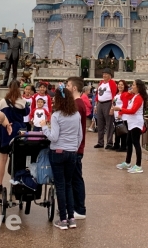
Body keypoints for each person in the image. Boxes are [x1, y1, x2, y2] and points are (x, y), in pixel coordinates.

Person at [43, 83, 83, 230]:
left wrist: (43, 128)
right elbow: (80, 135)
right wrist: (73, 148)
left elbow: (53, 137)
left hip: (58, 152)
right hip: (72, 152)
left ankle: (63, 220)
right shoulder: (76, 114)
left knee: (60, 185)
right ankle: (71, 218)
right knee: (68, 184)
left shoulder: (56, 115)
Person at [0, 81, 26, 193]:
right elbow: (26, 113)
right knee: (16, 159)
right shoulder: (22, 102)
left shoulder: (3, 102)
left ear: (8, 88)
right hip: (18, 131)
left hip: (5, 131)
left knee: (2, 159)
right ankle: (14, 182)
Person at [66, 76, 88, 220]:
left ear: (74, 88)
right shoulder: (76, 103)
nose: (66, 88)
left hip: (75, 147)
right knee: (73, 178)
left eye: (68, 86)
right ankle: (74, 206)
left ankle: (79, 209)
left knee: (76, 179)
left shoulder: (77, 105)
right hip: (74, 146)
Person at [114, 79, 147, 174]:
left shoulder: (139, 98)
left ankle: (138, 165)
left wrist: (120, 109)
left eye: (133, 85)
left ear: (138, 87)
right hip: (132, 122)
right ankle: (128, 162)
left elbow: (133, 110)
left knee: (136, 143)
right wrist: (130, 92)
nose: (131, 86)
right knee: (129, 142)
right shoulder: (135, 96)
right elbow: (126, 97)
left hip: (136, 123)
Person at [94, 71, 117, 149]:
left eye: (106, 74)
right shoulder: (101, 83)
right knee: (100, 124)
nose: (104, 75)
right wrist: (96, 105)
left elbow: (114, 95)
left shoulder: (112, 83)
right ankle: (100, 142)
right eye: (103, 74)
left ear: (110, 76)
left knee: (109, 124)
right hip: (100, 103)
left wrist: (112, 107)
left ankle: (109, 142)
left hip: (108, 103)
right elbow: (97, 94)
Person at [112, 80, 131, 151]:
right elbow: (114, 103)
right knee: (117, 130)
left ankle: (123, 146)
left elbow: (125, 105)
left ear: (124, 86)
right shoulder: (117, 94)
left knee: (123, 131)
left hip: (123, 116)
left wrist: (120, 113)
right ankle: (116, 144)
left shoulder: (125, 94)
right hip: (116, 115)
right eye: (119, 84)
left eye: (122, 85)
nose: (120, 86)